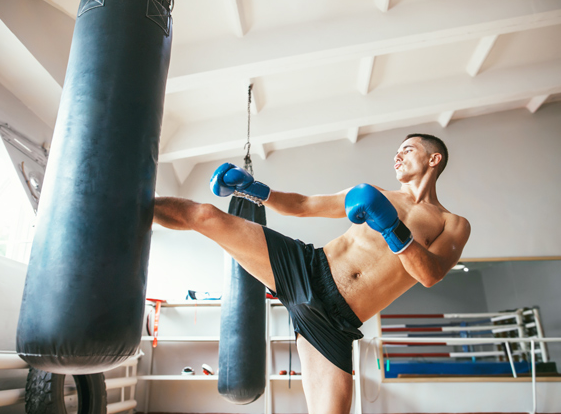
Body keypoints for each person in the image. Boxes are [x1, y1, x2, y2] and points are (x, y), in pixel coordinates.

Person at [153, 133, 471, 414]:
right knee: (206, 215)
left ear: (434, 158)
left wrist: (391, 228)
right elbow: (303, 204)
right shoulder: (374, 192)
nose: (397, 156)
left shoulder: (452, 223)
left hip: (336, 323)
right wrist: (256, 189)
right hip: (306, 269)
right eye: (396, 152)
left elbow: (431, 274)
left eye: (408, 149)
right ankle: (126, 207)